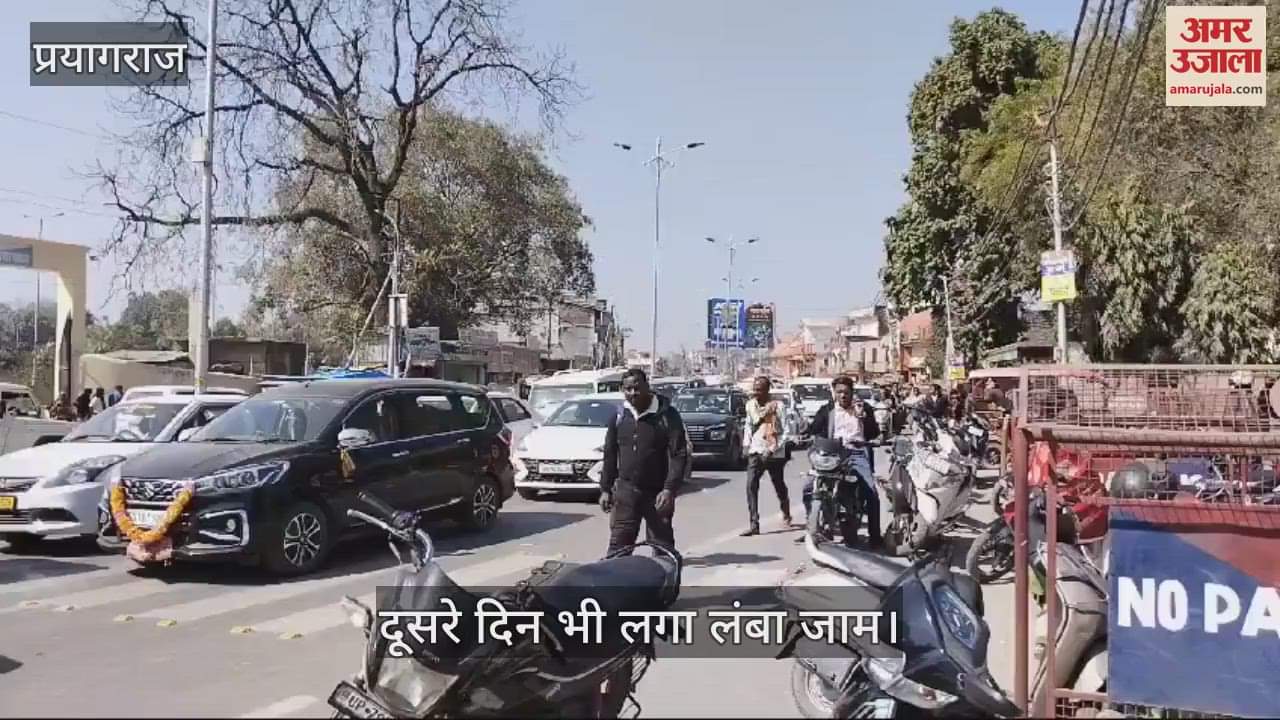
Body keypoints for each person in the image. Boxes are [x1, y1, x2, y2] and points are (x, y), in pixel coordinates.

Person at [599, 368, 689, 557]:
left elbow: (679, 454)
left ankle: (663, 574)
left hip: (657, 493)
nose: (633, 393)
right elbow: (610, 453)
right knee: (618, 547)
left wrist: (669, 489)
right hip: (626, 491)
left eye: (637, 388)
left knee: (663, 547)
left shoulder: (667, 415)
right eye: (628, 389)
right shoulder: (619, 416)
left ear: (647, 387)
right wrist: (605, 489)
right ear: (623, 390)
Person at [797, 375, 882, 547]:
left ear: (852, 392)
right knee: (808, 486)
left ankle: (875, 536)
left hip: (856, 453)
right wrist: (803, 434)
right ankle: (811, 524)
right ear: (834, 393)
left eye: (846, 392)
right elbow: (814, 429)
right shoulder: (827, 409)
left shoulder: (863, 408)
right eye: (839, 392)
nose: (843, 395)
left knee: (871, 492)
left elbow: (874, 433)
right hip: (831, 454)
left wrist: (864, 417)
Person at [740, 376, 792, 536]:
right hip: (756, 450)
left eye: (759, 390)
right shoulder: (750, 405)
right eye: (755, 389)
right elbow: (748, 426)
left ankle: (786, 511)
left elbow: (786, 431)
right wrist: (746, 445)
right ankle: (754, 524)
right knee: (751, 485)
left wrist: (772, 448)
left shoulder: (778, 406)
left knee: (778, 483)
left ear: (767, 390)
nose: (756, 393)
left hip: (774, 452)